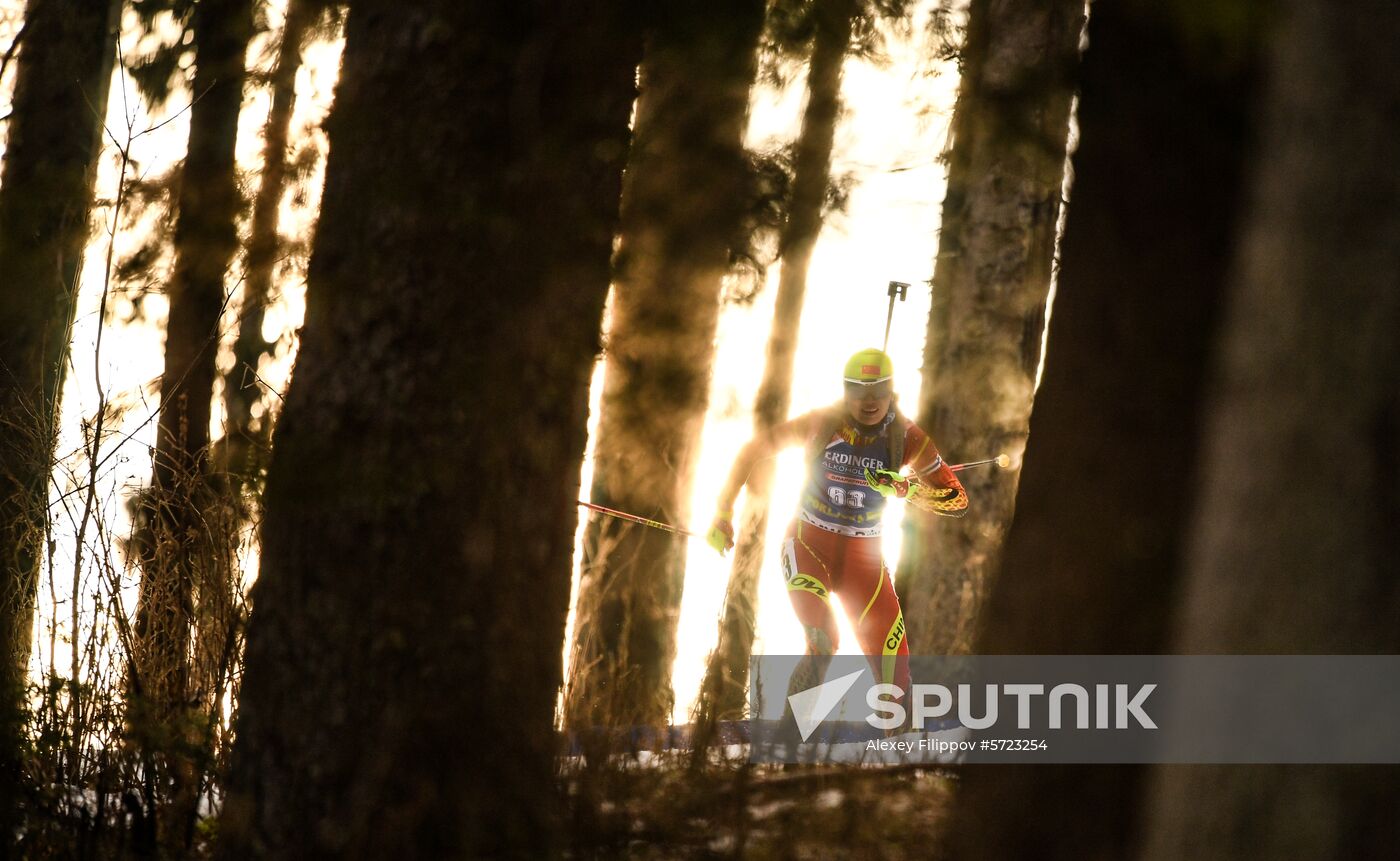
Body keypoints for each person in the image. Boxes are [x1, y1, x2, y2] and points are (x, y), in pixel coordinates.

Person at [707, 347, 968, 730]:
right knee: (824, 641)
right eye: (858, 390)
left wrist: (907, 490)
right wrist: (723, 513)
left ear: (892, 392)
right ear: (844, 392)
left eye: (878, 390)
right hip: (808, 545)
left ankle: (892, 763)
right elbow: (753, 450)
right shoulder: (821, 422)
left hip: (865, 562)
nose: (868, 401)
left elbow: (957, 501)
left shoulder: (907, 437)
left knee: (894, 671)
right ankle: (791, 736)